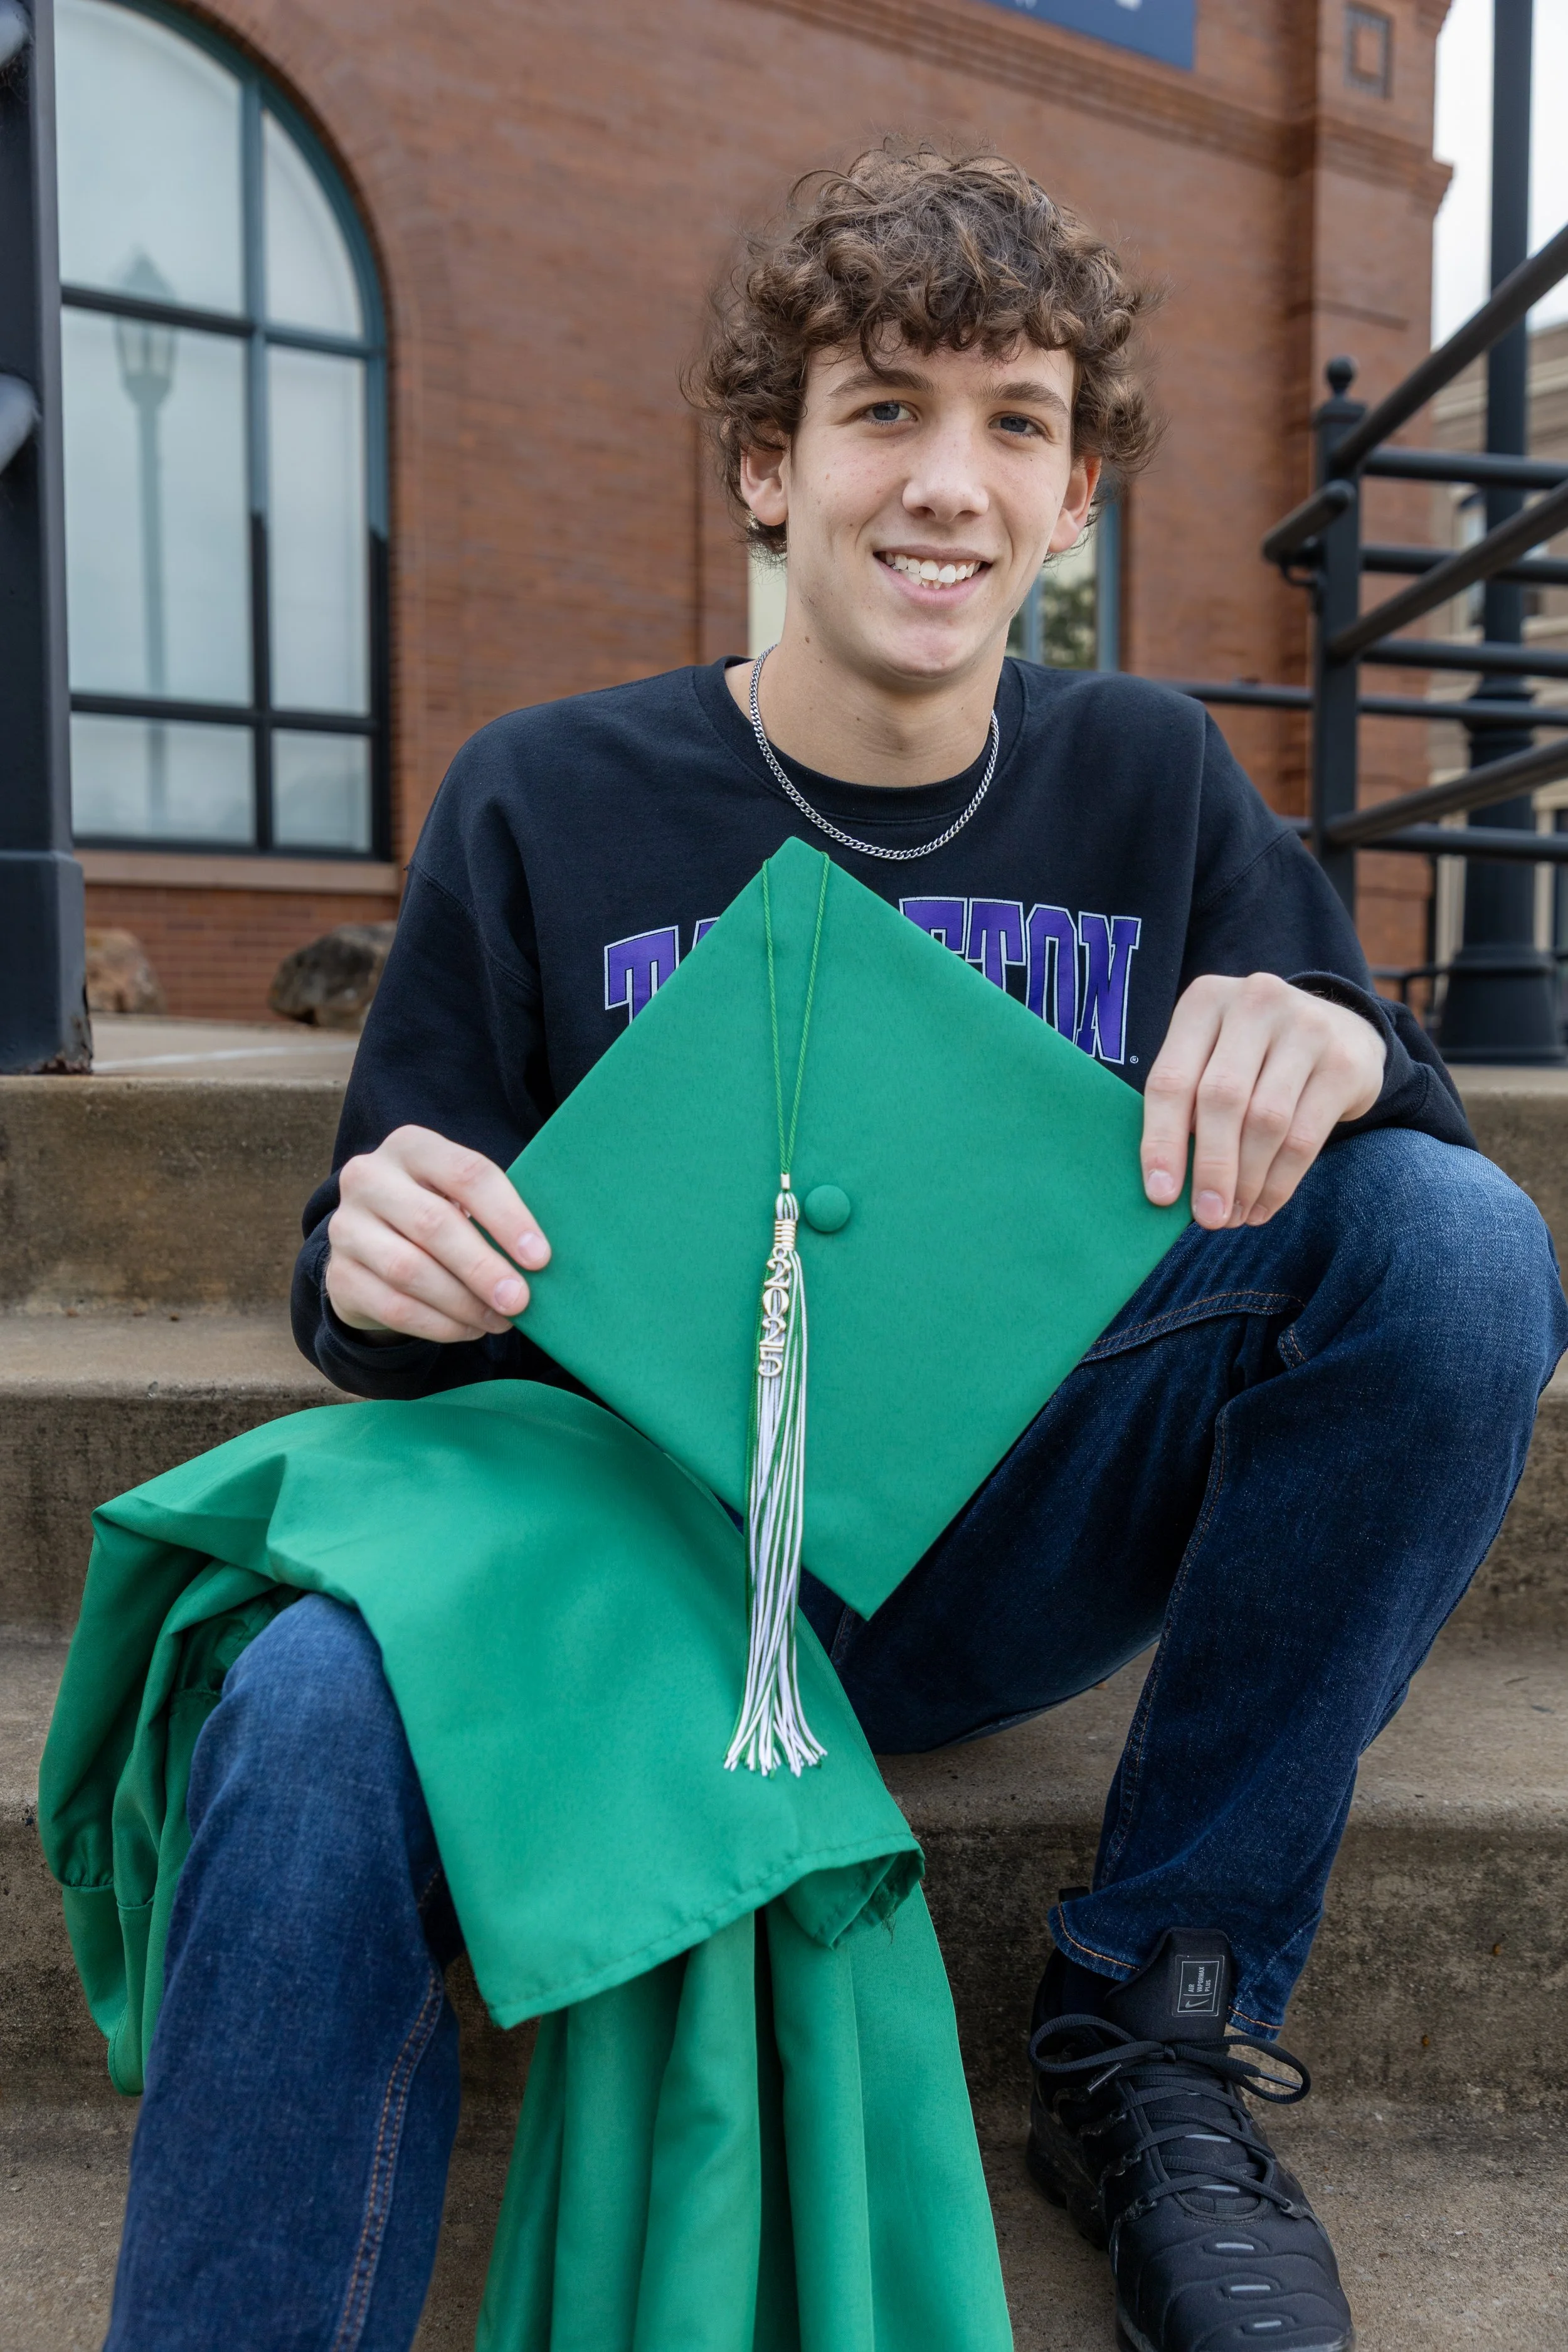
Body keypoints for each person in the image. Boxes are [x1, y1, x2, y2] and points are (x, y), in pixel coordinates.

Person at [108, 147, 1565, 2352]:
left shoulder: (1156, 783)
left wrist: (1343, 1043)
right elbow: (370, 1268)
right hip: (646, 1564)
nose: (948, 484)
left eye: (1015, 424)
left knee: (1455, 1241)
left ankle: (1148, 2029)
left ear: (1072, 505)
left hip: (1009, 1532)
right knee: (305, 1699)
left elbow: (1389, 1204)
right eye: (884, 409)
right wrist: (371, 1263)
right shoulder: (540, 797)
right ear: (768, 470)